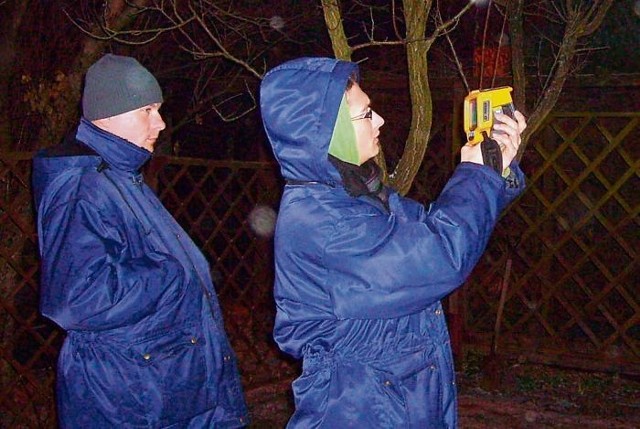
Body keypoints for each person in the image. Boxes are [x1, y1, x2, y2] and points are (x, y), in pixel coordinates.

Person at [259, 57, 527, 428]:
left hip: (391, 398)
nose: (380, 121)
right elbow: (440, 254)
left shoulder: (352, 196)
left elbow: (433, 224)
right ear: (327, 131)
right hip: (360, 409)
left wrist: (498, 171)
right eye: (366, 114)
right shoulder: (325, 223)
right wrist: (477, 175)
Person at [32, 54, 248, 428]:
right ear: (108, 113)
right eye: (147, 110)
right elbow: (78, 298)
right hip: (129, 398)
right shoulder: (84, 186)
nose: (160, 123)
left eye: (159, 109)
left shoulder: (120, 177)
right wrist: (170, 275)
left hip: (159, 385)